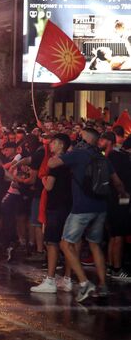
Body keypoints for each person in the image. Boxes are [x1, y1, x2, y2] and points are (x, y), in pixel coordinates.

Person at [48, 128, 129, 302]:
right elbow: (118, 182)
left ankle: (85, 283)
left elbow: (52, 164)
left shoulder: (78, 154)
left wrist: (61, 153)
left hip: (81, 208)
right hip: (100, 207)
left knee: (65, 244)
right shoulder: (102, 158)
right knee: (95, 245)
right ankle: (103, 285)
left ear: (84, 139)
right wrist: (123, 196)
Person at [31, 134, 74, 293]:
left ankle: (50, 280)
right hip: (68, 205)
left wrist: (43, 178)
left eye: (54, 142)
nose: (51, 144)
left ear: (61, 145)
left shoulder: (55, 163)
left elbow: (49, 186)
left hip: (55, 206)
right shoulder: (70, 161)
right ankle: (67, 279)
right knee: (67, 243)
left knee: (52, 243)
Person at [100, 131, 131, 281]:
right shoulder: (120, 158)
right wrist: (124, 193)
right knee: (118, 235)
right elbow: (118, 181)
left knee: (113, 234)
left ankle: (112, 267)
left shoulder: (109, 157)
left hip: (108, 200)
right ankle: (117, 269)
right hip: (119, 200)